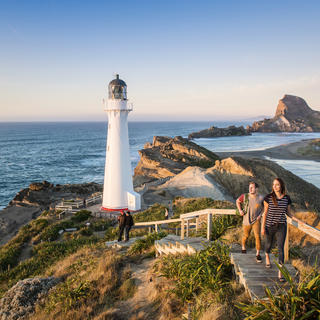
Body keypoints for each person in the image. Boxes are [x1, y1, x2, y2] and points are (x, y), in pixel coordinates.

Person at [261, 177, 297, 281]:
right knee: (268, 245)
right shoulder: (268, 197)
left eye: (277, 184)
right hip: (269, 225)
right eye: (273, 185)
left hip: (281, 226)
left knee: (281, 248)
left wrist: (299, 221)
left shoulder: (286, 198)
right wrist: (263, 228)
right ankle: (267, 255)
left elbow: (289, 213)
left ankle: (280, 273)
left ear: (281, 185)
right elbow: (265, 213)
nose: (275, 186)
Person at [236, 181, 264, 263]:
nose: (250, 189)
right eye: (249, 187)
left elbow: (265, 207)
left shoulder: (261, 198)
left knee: (257, 237)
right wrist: (240, 210)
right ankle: (243, 247)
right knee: (246, 236)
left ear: (256, 189)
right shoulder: (244, 196)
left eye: (252, 187)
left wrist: (260, 215)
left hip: (256, 221)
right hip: (246, 220)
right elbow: (237, 201)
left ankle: (258, 254)